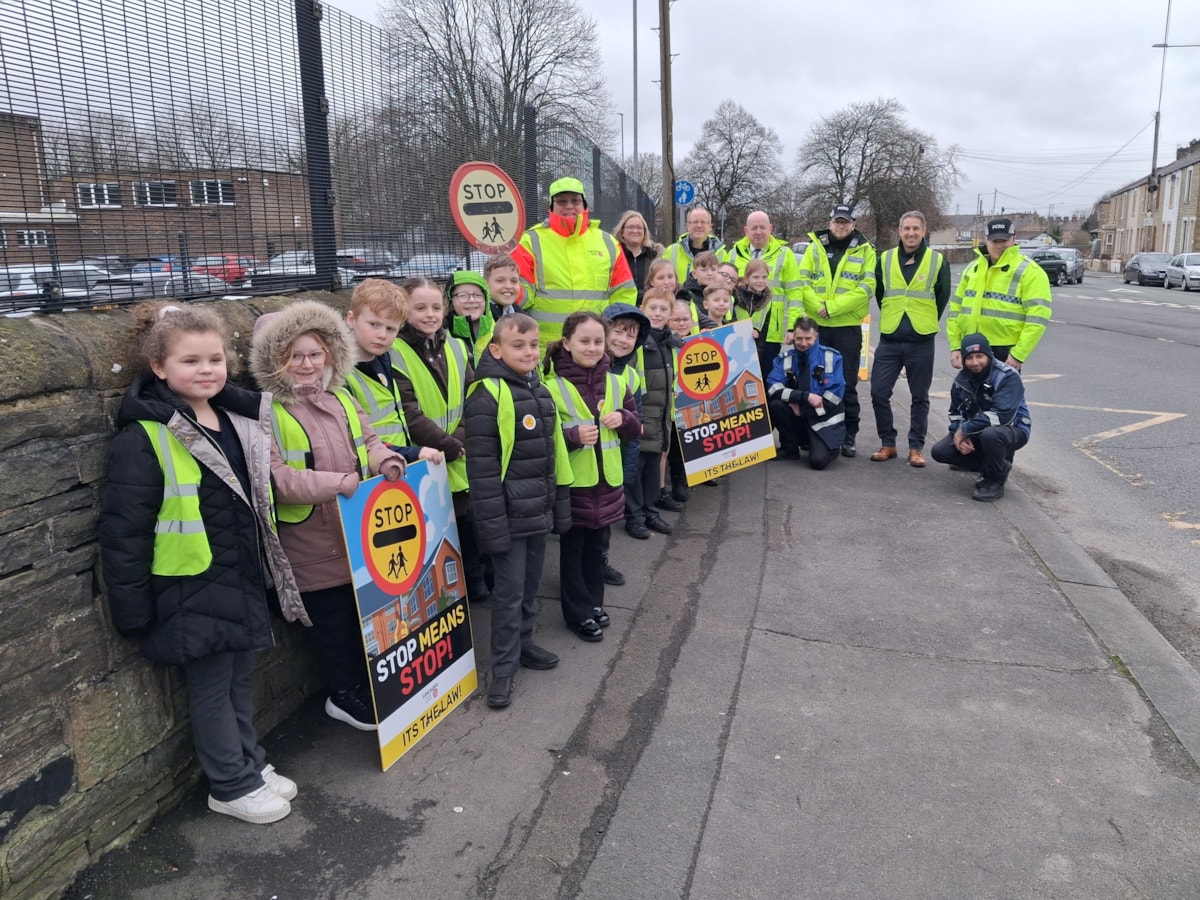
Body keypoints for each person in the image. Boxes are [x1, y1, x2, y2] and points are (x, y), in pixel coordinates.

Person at [99, 302, 303, 825]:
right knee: (212, 690)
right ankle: (230, 785)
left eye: (215, 358)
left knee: (238, 680)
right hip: (188, 586)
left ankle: (250, 766)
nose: (207, 370)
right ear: (161, 368)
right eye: (191, 361)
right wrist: (132, 610)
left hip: (236, 576)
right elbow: (125, 532)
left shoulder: (235, 415)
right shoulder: (145, 434)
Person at [250, 300, 406, 733]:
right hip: (310, 542)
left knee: (361, 619)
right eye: (294, 356)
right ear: (273, 360)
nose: (306, 364)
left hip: (353, 533)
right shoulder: (265, 412)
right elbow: (277, 478)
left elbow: (369, 439)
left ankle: (365, 686)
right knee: (333, 626)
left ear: (330, 355)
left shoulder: (340, 398)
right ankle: (344, 695)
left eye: (315, 354)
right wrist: (338, 483)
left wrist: (385, 461)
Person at [463, 313, 572, 709]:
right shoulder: (486, 394)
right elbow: (484, 470)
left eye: (532, 346)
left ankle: (525, 644)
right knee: (507, 595)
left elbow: (552, 459)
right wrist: (493, 529)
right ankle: (503, 669)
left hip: (536, 513)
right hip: (507, 516)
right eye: (517, 346)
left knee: (529, 588)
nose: (527, 353)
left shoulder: (540, 392)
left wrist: (557, 510)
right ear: (496, 350)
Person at [543, 312, 641, 642]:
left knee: (597, 551)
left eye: (598, 341)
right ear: (567, 343)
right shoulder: (551, 388)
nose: (592, 347)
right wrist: (572, 436)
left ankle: (594, 603)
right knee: (573, 552)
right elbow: (544, 437)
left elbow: (636, 428)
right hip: (575, 487)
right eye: (584, 341)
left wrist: (624, 418)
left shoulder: (617, 382)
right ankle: (577, 613)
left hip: (607, 485)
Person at [392, 278, 488, 604]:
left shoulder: (457, 347)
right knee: (438, 530)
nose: (430, 314)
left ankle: (474, 582)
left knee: (468, 522)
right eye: (420, 308)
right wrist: (450, 444)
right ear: (404, 311)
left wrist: (459, 440)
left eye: (436, 307)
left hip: (457, 452)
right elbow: (408, 411)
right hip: (428, 456)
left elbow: (474, 397)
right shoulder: (395, 352)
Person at [868, 211, 951, 468]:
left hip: (921, 339)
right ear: (899, 231)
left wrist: (921, 319)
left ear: (924, 231)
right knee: (879, 392)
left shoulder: (937, 261)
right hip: (891, 337)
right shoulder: (885, 259)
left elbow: (942, 296)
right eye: (906, 228)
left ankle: (916, 447)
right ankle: (888, 443)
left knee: (919, 396)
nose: (911, 233)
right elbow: (881, 293)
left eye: (916, 228)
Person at [513, 176, 637, 346]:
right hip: (547, 348)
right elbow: (521, 296)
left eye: (575, 201)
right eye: (561, 201)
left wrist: (613, 333)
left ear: (585, 205)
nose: (569, 206)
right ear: (551, 207)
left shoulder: (607, 242)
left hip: (594, 347)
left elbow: (624, 293)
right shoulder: (529, 241)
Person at [798, 204, 877, 458]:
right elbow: (802, 282)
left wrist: (832, 308)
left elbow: (866, 288)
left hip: (846, 327)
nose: (840, 226)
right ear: (830, 223)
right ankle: (813, 432)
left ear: (853, 224)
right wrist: (818, 307)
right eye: (836, 221)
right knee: (811, 380)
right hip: (817, 327)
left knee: (846, 383)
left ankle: (848, 434)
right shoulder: (814, 247)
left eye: (845, 222)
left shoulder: (866, 251)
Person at [343, 278, 446, 466]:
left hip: (397, 467)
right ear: (351, 319)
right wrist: (411, 453)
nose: (382, 335)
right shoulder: (341, 376)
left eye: (390, 328)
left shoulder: (386, 358)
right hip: (372, 472)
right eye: (374, 324)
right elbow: (352, 441)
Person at [930, 332, 1031, 501]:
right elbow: (955, 413)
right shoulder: (961, 380)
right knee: (940, 452)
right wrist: (960, 435)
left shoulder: (1008, 376)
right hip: (977, 430)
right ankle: (997, 464)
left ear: (989, 355)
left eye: (980, 356)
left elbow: (1002, 416)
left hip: (1012, 429)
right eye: (969, 358)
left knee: (991, 434)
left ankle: (994, 481)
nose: (975, 362)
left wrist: (966, 430)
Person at [946, 217, 1051, 371]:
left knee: (1004, 395)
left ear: (1014, 239)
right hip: (972, 348)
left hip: (1005, 351)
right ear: (986, 240)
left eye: (1004, 240)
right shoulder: (972, 269)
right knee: (969, 394)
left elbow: (1038, 317)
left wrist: (1018, 354)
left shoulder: (1030, 271)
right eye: (995, 241)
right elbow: (955, 309)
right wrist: (955, 346)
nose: (1000, 246)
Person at [720, 210, 802, 367]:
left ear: (770, 228)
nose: (758, 232)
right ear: (746, 231)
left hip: (770, 330)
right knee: (740, 380)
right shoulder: (732, 254)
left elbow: (795, 293)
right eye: (754, 228)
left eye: (762, 227)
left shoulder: (785, 254)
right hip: (739, 330)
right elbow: (723, 291)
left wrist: (793, 326)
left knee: (766, 381)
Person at [766, 317, 846, 470]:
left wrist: (802, 410)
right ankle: (789, 450)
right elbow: (773, 387)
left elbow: (835, 397)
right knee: (776, 405)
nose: (803, 343)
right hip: (802, 416)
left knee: (818, 462)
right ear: (793, 338)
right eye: (799, 339)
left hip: (824, 420)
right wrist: (804, 397)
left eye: (808, 338)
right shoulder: (785, 359)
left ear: (816, 336)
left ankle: (831, 446)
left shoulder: (832, 357)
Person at [602, 302, 652, 543]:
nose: (623, 340)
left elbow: (636, 427)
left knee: (605, 522)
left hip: (615, 455)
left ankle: (601, 562)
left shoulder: (631, 376)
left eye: (630, 335)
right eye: (618, 332)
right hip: (586, 461)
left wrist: (627, 473)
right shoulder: (587, 367)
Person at [635, 288, 682, 522]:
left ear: (670, 313)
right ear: (642, 309)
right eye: (652, 308)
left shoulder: (670, 342)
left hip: (662, 416)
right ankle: (636, 516)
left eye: (663, 309)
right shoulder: (638, 342)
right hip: (643, 417)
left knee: (653, 468)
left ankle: (650, 512)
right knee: (638, 469)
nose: (657, 313)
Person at [734, 258, 777, 377]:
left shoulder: (767, 299)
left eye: (764, 277)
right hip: (734, 346)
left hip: (756, 347)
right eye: (756, 277)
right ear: (747, 278)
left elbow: (765, 326)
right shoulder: (735, 296)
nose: (760, 281)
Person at [661, 206, 724, 284]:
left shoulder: (722, 253)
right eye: (695, 222)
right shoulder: (672, 251)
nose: (699, 225)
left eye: (703, 222)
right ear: (687, 226)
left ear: (710, 227)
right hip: (680, 296)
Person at [446, 269, 495, 361]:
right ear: (451, 301)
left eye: (478, 295)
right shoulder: (442, 336)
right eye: (462, 295)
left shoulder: (499, 330)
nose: (472, 300)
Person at [612, 209, 659, 297]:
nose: (635, 231)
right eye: (630, 227)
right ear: (622, 232)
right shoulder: (614, 255)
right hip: (622, 307)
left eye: (639, 227)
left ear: (644, 232)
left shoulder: (654, 257)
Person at [485, 253, 522, 319]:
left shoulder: (525, 320)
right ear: (485, 283)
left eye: (514, 281)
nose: (508, 286)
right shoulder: (480, 321)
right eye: (500, 280)